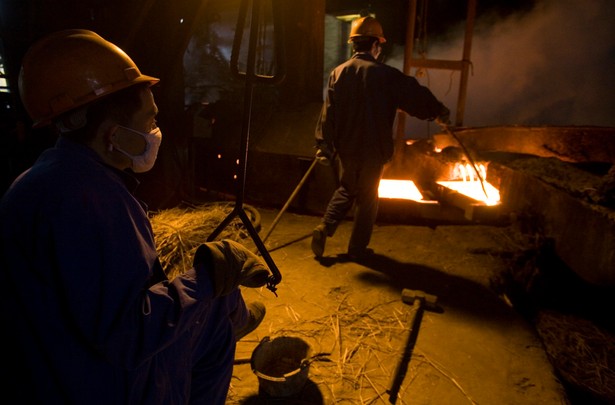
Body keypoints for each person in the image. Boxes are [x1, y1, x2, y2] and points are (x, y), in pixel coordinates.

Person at [0, 29, 270, 404]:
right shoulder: (87, 202)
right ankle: (229, 320)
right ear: (115, 135)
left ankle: (232, 314)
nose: (155, 131)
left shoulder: (42, 180)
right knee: (213, 306)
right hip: (99, 383)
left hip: (54, 362)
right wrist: (207, 275)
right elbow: (128, 336)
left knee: (215, 306)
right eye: (149, 119)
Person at [311, 16, 451, 260]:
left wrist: (324, 145)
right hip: (374, 149)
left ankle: (324, 227)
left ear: (354, 44)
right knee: (368, 198)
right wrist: (437, 112)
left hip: (348, 148)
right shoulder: (386, 75)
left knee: (346, 188)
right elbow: (415, 96)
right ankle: (357, 249)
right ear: (375, 45)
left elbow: (328, 112)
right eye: (379, 45)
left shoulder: (338, 73)